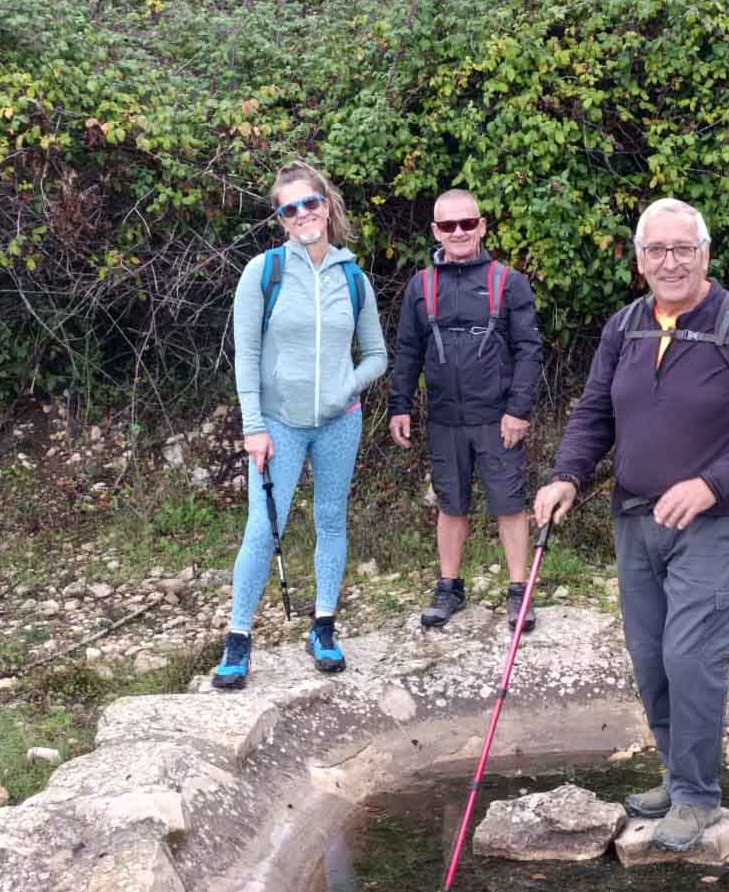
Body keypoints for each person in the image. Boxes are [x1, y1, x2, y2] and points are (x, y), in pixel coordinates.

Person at [533, 198, 729, 853]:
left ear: (705, 254)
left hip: (714, 522)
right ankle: (676, 773)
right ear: (639, 258)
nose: (671, 262)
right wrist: (567, 474)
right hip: (635, 518)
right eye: (657, 250)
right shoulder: (624, 326)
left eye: (684, 248)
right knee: (650, 658)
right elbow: (595, 411)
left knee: (691, 657)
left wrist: (711, 484)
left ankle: (700, 798)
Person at [213, 162, 388, 688]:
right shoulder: (263, 272)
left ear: (326, 204)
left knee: (332, 521)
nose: (302, 214)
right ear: (281, 219)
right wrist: (253, 427)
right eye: (290, 209)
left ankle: (324, 626)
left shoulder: (353, 277)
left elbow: (376, 355)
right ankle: (238, 639)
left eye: (309, 203)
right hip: (278, 424)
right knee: (264, 527)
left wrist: (346, 388)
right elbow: (245, 356)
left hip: (340, 423)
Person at [387, 188, 544, 632]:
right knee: (450, 504)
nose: (459, 232)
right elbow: (408, 350)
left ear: (482, 227)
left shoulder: (508, 281)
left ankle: (519, 592)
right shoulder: (421, 284)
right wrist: (400, 405)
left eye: (467, 223)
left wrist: (519, 409)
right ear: (435, 231)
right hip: (444, 419)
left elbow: (529, 349)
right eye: (448, 225)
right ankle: (449, 587)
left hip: (498, 419)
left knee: (509, 503)